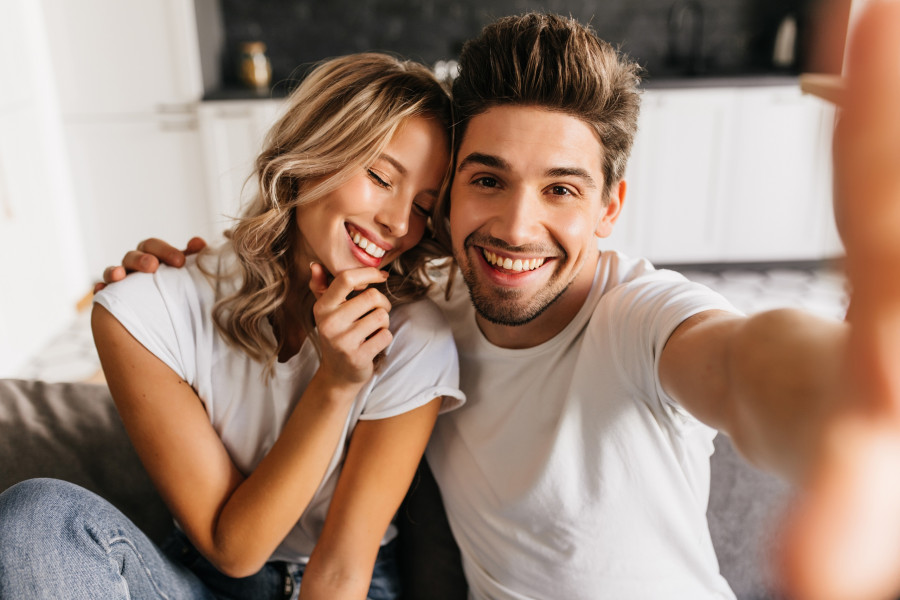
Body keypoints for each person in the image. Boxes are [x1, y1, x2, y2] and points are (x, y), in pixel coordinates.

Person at [91, 5, 900, 600]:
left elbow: (741, 364)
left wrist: (853, 390)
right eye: (485, 181)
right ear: (449, 206)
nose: (518, 226)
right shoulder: (424, 317)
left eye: (560, 189)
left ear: (609, 208)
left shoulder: (641, 316)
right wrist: (184, 271)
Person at [0, 52, 465, 599]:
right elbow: (234, 549)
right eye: (381, 177)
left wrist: (348, 378)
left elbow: (342, 571)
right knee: (37, 516)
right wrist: (336, 385)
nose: (397, 223)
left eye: (424, 206)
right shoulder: (144, 311)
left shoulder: (416, 337)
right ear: (312, 152)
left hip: (341, 586)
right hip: (200, 581)